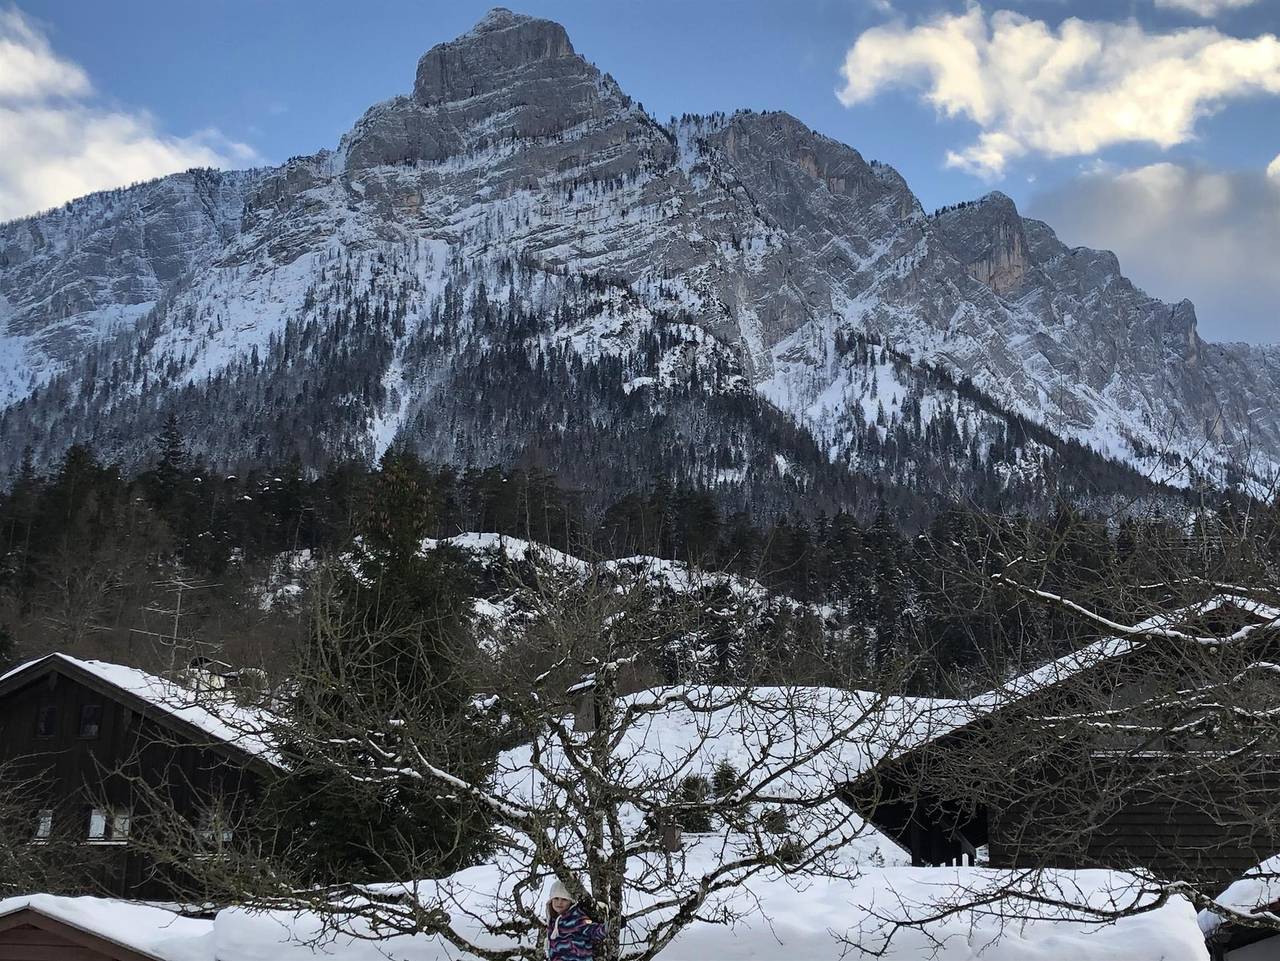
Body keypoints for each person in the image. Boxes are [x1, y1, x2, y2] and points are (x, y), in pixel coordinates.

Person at [545, 878, 606, 960]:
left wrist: (612, 924)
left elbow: (593, 929)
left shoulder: (576, 918)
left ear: (571, 901)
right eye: (556, 898)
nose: (559, 902)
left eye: (564, 899)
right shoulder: (552, 921)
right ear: (551, 900)